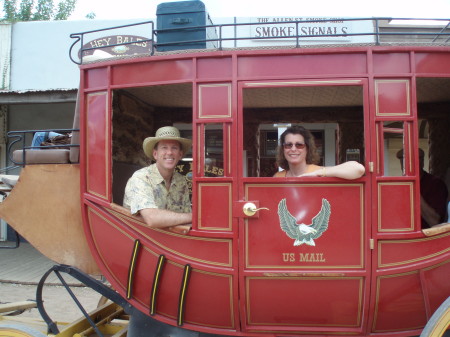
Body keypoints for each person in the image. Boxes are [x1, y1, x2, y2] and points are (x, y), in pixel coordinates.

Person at [123, 126, 192, 235]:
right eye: (164, 147)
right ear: (155, 154)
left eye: (174, 148)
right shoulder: (141, 177)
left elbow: (186, 221)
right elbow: (152, 218)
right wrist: (193, 217)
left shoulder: (181, 181)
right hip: (140, 241)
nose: (169, 152)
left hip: (170, 241)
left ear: (180, 154)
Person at [273, 125, 365, 179]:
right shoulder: (278, 176)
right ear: (283, 149)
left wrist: (319, 173)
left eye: (299, 145)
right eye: (288, 145)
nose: (293, 149)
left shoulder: (319, 172)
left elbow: (358, 169)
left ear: (307, 149)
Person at [397, 149, 448, 228]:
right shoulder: (399, 186)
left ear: (421, 162)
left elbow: (435, 222)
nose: (404, 166)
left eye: (406, 162)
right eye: (402, 162)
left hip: (426, 236)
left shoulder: (435, 184)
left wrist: (413, 188)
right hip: (402, 233)